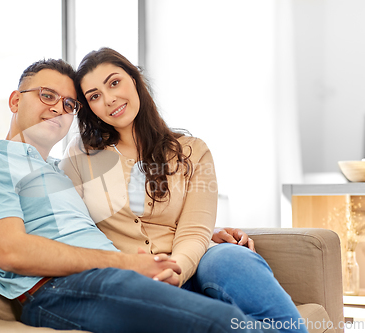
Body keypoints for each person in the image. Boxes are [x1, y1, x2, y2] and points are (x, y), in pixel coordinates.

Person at [0, 58, 279, 333]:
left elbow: (128, 214)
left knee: (242, 303)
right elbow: (11, 251)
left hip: (115, 279)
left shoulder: (60, 170)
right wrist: (127, 264)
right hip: (59, 290)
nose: (58, 110)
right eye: (47, 95)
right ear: (15, 100)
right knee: (222, 324)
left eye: (69, 104)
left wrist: (209, 232)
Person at [60, 47, 308, 333]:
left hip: (198, 260)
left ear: (135, 79)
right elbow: (76, 229)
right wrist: (142, 273)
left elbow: (193, 231)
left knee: (235, 262)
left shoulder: (193, 152)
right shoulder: (79, 155)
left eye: (114, 82)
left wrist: (173, 272)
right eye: (94, 96)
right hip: (134, 278)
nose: (109, 99)